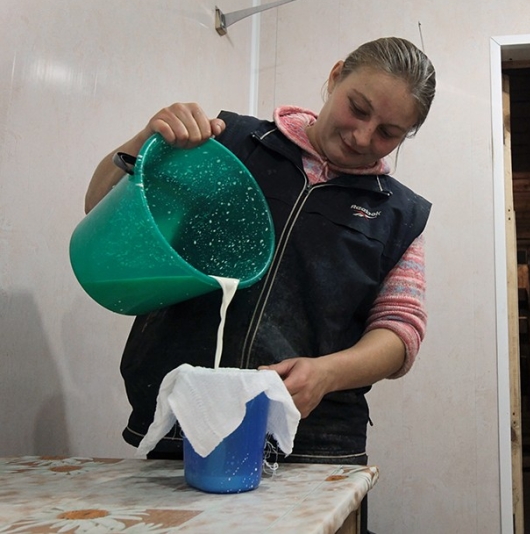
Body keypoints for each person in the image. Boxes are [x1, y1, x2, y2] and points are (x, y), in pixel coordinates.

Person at [85, 37, 436, 478]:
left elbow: (400, 332)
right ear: (335, 76)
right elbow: (100, 210)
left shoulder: (398, 214)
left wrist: (327, 373)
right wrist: (148, 139)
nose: (362, 136)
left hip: (314, 444)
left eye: (389, 133)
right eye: (358, 108)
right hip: (189, 424)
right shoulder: (227, 143)